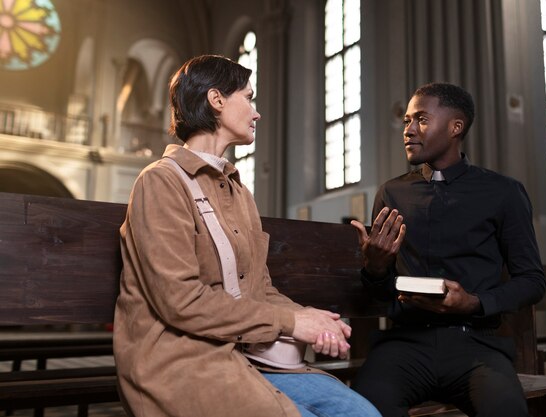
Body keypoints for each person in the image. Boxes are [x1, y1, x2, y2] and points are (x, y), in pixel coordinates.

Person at [113, 54, 381, 417]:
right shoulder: (159, 182)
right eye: (249, 97)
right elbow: (180, 300)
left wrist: (310, 317)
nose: (256, 113)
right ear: (217, 99)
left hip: (246, 353)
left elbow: (260, 288)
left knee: (363, 414)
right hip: (183, 360)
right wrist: (292, 323)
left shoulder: (238, 191)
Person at [349, 82, 546, 417]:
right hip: (406, 344)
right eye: (407, 121)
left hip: (476, 345)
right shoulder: (393, 193)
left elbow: (532, 281)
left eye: (422, 120)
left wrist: (474, 302)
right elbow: (381, 292)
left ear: (456, 127)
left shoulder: (503, 192)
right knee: (364, 407)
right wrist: (376, 267)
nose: (409, 130)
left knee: (506, 410)